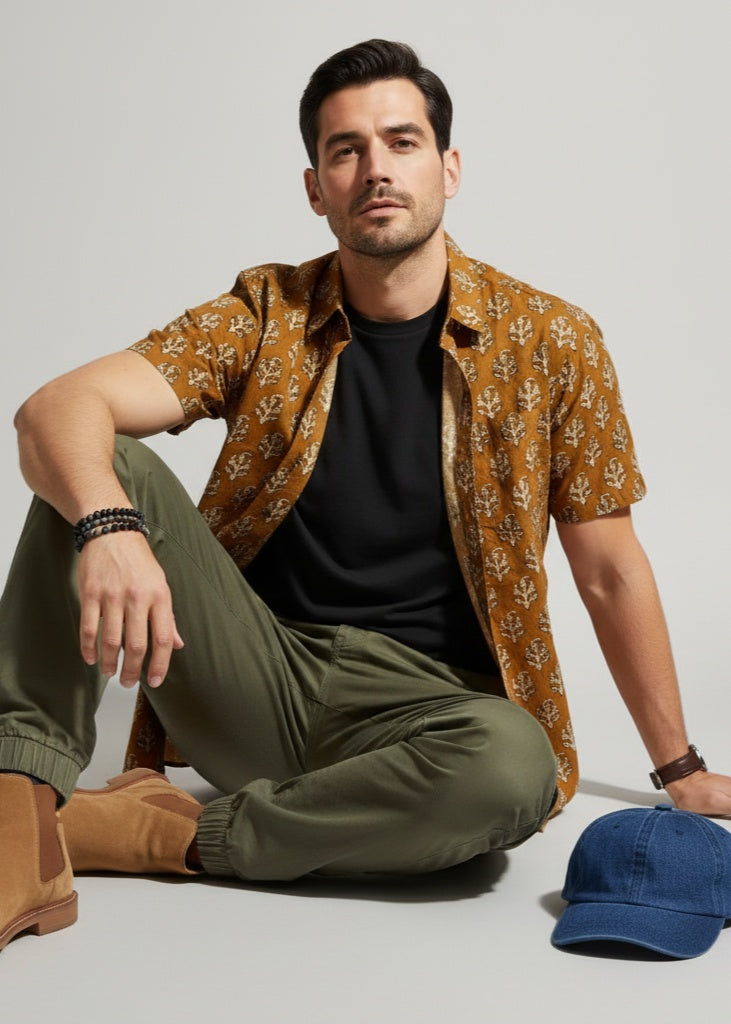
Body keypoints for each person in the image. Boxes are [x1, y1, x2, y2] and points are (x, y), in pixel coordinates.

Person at [1, 38, 729, 953]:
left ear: (448, 168)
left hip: (434, 712)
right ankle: (15, 807)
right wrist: (110, 527)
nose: (375, 169)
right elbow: (54, 409)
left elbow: (610, 570)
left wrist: (679, 768)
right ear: (316, 188)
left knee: (515, 768)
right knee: (93, 460)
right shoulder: (265, 313)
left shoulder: (552, 342)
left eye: (401, 141)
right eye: (346, 150)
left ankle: (146, 834)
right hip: (257, 676)